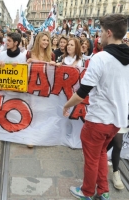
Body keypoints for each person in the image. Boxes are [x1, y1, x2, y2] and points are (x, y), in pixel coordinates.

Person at [63, 14, 129, 200]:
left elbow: (83, 91)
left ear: (109, 33)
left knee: (92, 159)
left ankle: (87, 192)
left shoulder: (101, 58)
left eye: (100, 31)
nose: (99, 36)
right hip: (117, 122)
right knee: (101, 154)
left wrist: (67, 105)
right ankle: (103, 190)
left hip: (99, 120)